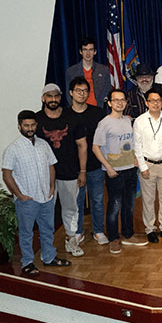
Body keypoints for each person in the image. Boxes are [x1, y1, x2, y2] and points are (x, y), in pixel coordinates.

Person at [2, 110, 71, 277]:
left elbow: (51, 165)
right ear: (19, 127)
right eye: (26, 125)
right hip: (27, 199)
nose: (30, 128)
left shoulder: (43, 144)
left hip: (45, 197)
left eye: (32, 125)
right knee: (26, 232)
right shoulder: (13, 149)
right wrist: (20, 195)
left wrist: (52, 187)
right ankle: (27, 262)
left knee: (47, 229)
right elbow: (6, 174)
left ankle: (49, 257)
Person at [92, 88, 148, 253]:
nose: (120, 103)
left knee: (129, 205)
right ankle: (113, 238)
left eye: (122, 99)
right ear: (109, 103)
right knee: (114, 206)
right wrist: (108, 167)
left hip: (130, 169)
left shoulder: (127, 120)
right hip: (114, 172)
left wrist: (136, 160)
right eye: (115, 100)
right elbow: (95, 148)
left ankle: (128, 235)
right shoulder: (104, 123)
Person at [36, 84, 87, 258]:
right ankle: (47, 245)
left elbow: (82, 145)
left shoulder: (72, 118)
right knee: (45, 209)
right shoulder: (36, 121)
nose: (53, 99)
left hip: (70, 171)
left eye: (56, 96)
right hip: (44, 175)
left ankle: (71, 239)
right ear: (43, 98)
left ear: (60, 97)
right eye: (49, 96)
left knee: (71, 207)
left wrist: (82, 171)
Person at [133, 88, 162, 244]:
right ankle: (150, 229)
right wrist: (142, 167)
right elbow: (137, 145)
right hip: (147, 164)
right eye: (152, 100)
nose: (155, 103)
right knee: (148, 200)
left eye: (158, 101)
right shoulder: (140, 121)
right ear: (146, 102)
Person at [67, 77, 107, 245]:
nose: (82, 94)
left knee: (97, 200)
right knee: (77, 202)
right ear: (71, 93)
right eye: (78, 91)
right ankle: (78, 232)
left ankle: (98, 231)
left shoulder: (97, 113)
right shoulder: (65, 115)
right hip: (73, 167)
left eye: (85, 91)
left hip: (95, 165)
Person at [64, 37, 110, 107]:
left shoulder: (104, 70)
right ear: (80, 52)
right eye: (85, 50)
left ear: (95, 52)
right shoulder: (71, 71)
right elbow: (68, 94)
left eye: (91, 50)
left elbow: (107, 91)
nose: (88, 53)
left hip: (98, 110)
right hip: (79, 111)